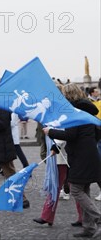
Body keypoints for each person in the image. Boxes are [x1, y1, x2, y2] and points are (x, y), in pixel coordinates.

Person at [43, 83, 101, 238]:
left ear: (67, 95)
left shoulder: (73, 112)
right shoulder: (87, 109)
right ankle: (89, 228)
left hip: (81, 157)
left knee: (75, 189)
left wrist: (50, 132)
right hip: (89, 154)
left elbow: (70, 135)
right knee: (84, 189)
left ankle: (98, 218)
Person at [0, 104, 30, 209]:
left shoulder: (2, 106)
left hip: (2, 146)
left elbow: (2, 124)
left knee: (10, 174)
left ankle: (23, 199)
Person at [33, 139, 69, 226]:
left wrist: (54, 148)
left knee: (55, 187)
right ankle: (84, 218)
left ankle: (47, 216)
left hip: (60, 158)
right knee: (78, 190)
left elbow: (61, 137)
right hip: (60, 158)